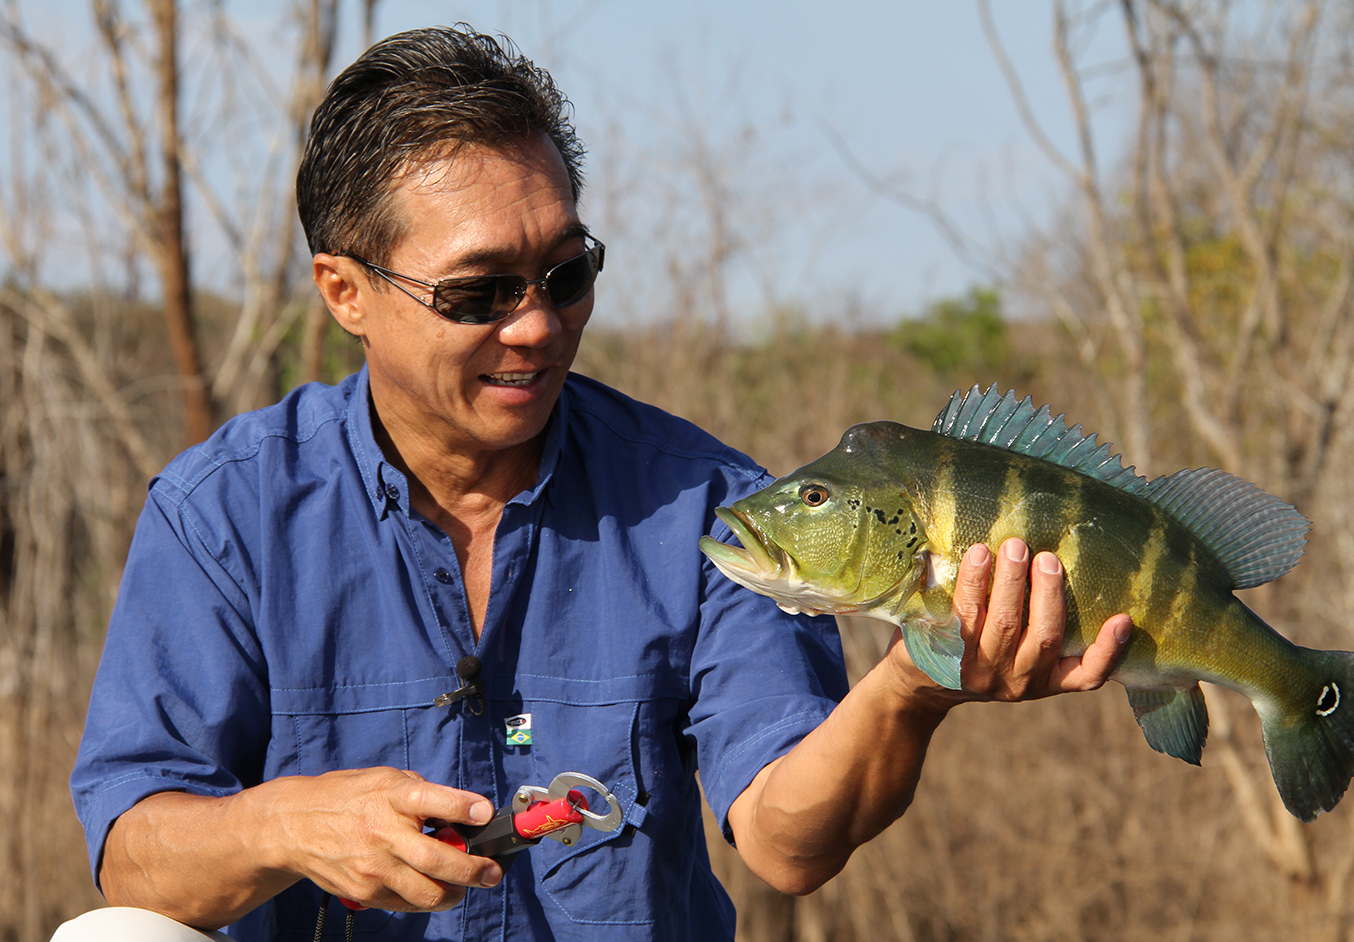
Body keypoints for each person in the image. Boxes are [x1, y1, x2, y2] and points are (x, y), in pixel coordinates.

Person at [59, 24, 1132, 942]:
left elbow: (787, 840)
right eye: (478, 292)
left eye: (565, 275)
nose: (536, 325)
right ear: (346, 291)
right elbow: (135, 859)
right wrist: (281, 825)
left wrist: (912, 688)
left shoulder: (710, 506)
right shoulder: (225, 515)